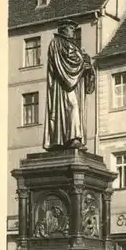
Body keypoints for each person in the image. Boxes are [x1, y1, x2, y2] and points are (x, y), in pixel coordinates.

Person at [43, 20, 95, 151]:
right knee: (72, 107)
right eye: (71, 28)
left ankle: (72, 138)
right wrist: (82, 64)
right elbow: (64, 64)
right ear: (63, 30)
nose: (73, 31)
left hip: (73, 84)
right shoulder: (57, 43)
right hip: (63, 86)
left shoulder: (73, 45)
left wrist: (87, 65)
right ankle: (71, 138)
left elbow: (76, 61)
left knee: (75, 108)